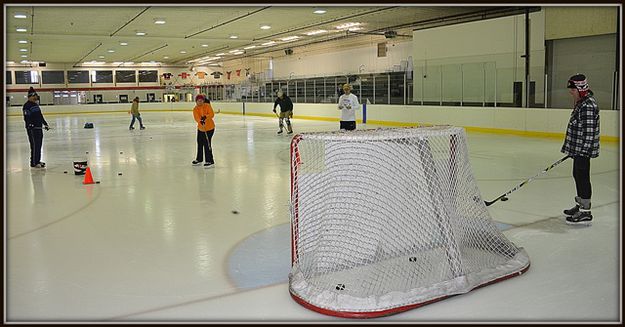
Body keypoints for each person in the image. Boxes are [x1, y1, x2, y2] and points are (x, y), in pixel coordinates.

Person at [561, 74, 600, 226]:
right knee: (577, 175)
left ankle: (585, 212)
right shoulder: (581, 103)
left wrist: (582, 153)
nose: (570, 92)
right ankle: (580, 204)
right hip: (578, 150)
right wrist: (573, 150)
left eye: (572, 89)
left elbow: (589, 134)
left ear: (580, 89)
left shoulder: (587, 106)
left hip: (583, 151)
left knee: (583, 178)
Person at [22, 87, 49, 168]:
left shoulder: (35, 105)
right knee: (34, 145)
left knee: (39, 145)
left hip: (39, 128)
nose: (35, 98)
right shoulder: (27, 106)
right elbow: (27, 117)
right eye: (34, 96)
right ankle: (33, 162)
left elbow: (40, 116)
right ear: (29, 97)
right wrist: (30, 124)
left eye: (36, 96)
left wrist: (45, 123)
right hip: (32, 129)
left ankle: (37, 160)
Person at [192, 94, 216, 168]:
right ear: (196, 101)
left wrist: (205, 117)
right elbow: (196, 117)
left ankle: (210, 160)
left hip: (210, 128)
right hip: (201, 129)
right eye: (198, 101)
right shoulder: (195, 109)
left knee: (207, 143)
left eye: (201, 100)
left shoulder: (207, 106)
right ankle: (199, 159)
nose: (200, 102)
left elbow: (212, 114)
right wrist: (200, 121)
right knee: (199, 143)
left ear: (203, 101)